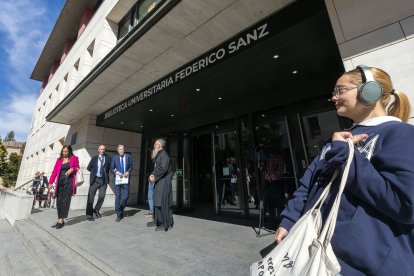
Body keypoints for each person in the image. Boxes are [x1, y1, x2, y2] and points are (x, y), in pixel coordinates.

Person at [274, 65, 414, 275]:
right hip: (318, 255)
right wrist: (289, 219)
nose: (334, 97)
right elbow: (309, 183)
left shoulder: (399, 134)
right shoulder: (337, 140)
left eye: (340, 90)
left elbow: (405, 204)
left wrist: (348, 157)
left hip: (363, 266)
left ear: (370, 91)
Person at [49, 145, 79, 229]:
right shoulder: (59, 160)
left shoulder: (74, 158)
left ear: (69, 151)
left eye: (66, 151)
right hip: (60, 182)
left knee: (65, 201)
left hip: (69, 182)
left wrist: (72, 169)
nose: (65, 153)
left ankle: (61, 220)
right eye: (63, 151)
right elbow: (55, 171)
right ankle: (60, 219)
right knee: (59, 200)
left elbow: (77, 167)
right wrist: (50, 182)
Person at [147, 139, 174, 231]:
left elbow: (163, 169)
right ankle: (157, 220)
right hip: (159, 181)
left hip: (164, 182)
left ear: (160, 145)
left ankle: (164, 223)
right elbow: (157, 168)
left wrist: (154, 176)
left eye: (155, 144)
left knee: (161, 202)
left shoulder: (164, 155)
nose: (154, 146)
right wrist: (152, 175)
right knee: (156, 200)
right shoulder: (159, 155)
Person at [85, 144, 111, 221]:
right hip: (95, 180)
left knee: (102, 196)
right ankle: (89, 214)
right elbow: (88, 168)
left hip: (103, 181)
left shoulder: (108, 158)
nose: (102, 150)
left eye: (104, 149)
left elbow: (110, 168)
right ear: (98, 150)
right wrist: (94, 173)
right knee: (91, 198)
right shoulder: (94, 158)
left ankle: (96, 209)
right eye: (101, 149)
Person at [110, 145, 133, 222]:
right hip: (118, 179)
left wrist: (128, 172)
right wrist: (117, 172)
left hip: (126, 179)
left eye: (122, 149)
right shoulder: (115, 158)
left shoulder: (128, 156)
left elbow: (131, 166)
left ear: (124, 149)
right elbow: (111, 168)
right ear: (117, 150)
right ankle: (118, 214)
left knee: (126, 196)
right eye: (119, 149)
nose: (121, 150)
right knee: (118, 196)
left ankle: (121, 209)